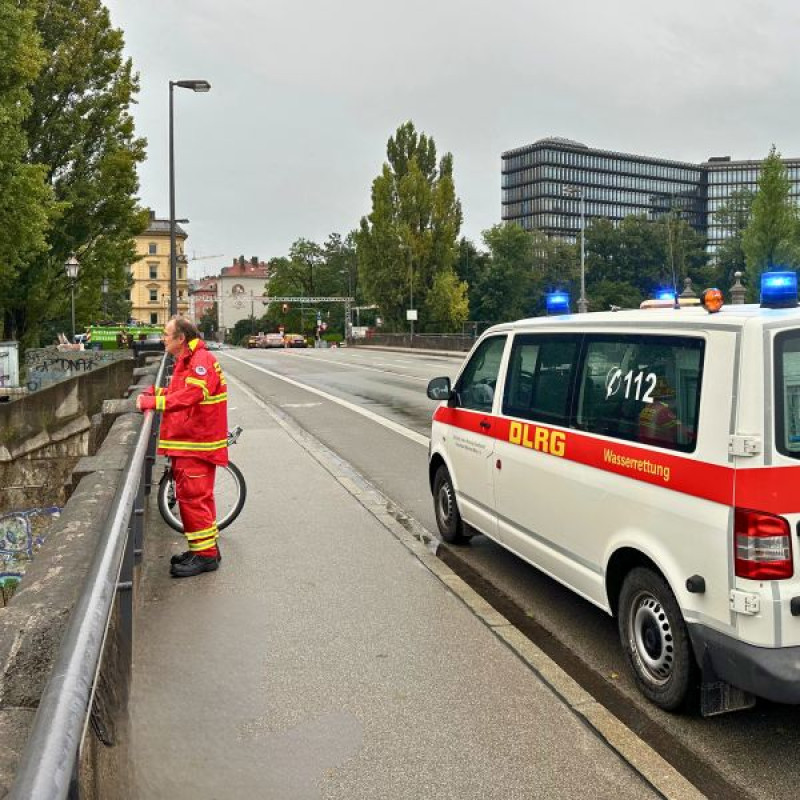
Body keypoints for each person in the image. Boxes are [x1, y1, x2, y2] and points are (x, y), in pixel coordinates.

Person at [136, 316, 228, 577]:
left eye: (166, 334)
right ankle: (204, 549)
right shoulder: (189, 360)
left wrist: (152, 404)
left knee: (193, 499)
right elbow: (179, 391)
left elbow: (191, 396)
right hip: (192, 442)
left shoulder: (200, 361)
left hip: (196, 443)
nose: (163, 338)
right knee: (198, 499)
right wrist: (156, 394)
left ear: (181, 339)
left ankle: (206, 556)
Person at [638, 375, 682, 447]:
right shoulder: (663, 411)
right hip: (661, 447)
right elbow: (680, 430)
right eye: (671, 398)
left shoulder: (645, 410)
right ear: (665, 398)